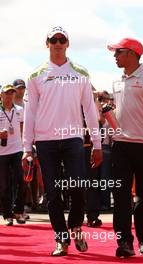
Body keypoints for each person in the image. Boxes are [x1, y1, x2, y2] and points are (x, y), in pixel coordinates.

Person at [22, 26, 102, 256]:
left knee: (78, 188)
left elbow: (89, 110)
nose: (57, 43)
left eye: (62, 39)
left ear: (68, 43)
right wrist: (27, 149)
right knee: (53, 194)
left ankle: (76, 227)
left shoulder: (81, 73)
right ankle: (61, 239)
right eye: (53, 39)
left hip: (73, 139)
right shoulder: (35, 75)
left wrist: (97, 144)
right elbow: (30, 113)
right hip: (46, 142)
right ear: (46, 43)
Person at [107, 38, 143, 257]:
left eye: (118, 52)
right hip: (120, 146)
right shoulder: (116, 81)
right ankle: (124, 243)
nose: (115, 56)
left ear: (131, 53)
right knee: (120, 196)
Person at [0, 84, 25, 226]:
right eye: (7, 93)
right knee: (4, 186)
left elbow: (24, 129)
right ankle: (7, 214)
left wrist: (27, 146)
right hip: (1, 152)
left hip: (17, 150)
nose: (9, 95)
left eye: (11, 93)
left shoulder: (20, 110)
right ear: (1, 95)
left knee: (21, 181)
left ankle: (18, 211)